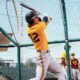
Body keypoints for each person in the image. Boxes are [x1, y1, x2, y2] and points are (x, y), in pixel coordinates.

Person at [25, 11, 66, 80]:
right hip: (42, 56)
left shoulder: (28, 29)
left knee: (60, 71)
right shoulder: (38, 27)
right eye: (35, 17)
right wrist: (47, 17)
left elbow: (44, 22)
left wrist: (47, 19)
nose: (38, 18)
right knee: (40, 78)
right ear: (31, 20)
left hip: (47, 55)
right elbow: (45, 21)